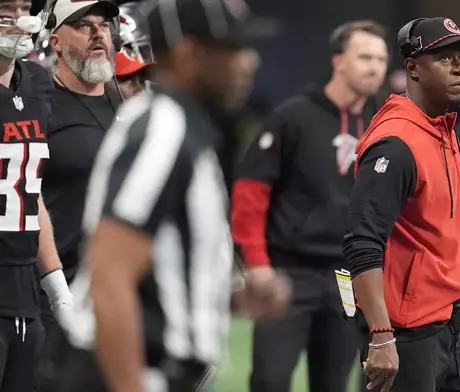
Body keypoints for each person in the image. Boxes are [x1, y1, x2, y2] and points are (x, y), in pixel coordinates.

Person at [58, 0, 289, 390]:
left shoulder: (184, 124)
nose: (249, 62)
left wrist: (220, 296)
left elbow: (153, 272)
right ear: (190, 53)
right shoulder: (161, 129)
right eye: (232, 49)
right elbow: (110, 276)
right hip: (129, 372)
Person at [231, 20, 388, 392]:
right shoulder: (293, 117)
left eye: (381, 59)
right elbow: (250, 193)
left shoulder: (384, 125)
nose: (375, 67)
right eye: (364, 56)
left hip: (348, 278)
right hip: (288, 273)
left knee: (333, 383)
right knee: (269, 381)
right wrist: (256, 262)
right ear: (338, 61)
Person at [342, 17, 460, 392]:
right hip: (407, 337)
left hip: (453, 326)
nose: (459, 67)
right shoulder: (396, 143)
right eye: (444, 58)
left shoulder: (445, 129)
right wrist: (380, 335)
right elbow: (363, 242)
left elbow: (443, 238)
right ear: (412, 68)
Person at [37, 0, 121, 389]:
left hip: (119, 296)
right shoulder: (40, 107)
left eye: (103, 25)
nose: (98, 33)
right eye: (83, 26)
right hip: (60, 297)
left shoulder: (125, 106)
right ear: (56, 42)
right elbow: (25, 197)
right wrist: (57, 291)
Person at [0, 0, 74, 390]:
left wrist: (57, 288)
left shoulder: (38, 83)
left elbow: (32, 188)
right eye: (5, 7)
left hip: (26, 293)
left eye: (24, 6)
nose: (18, 16)